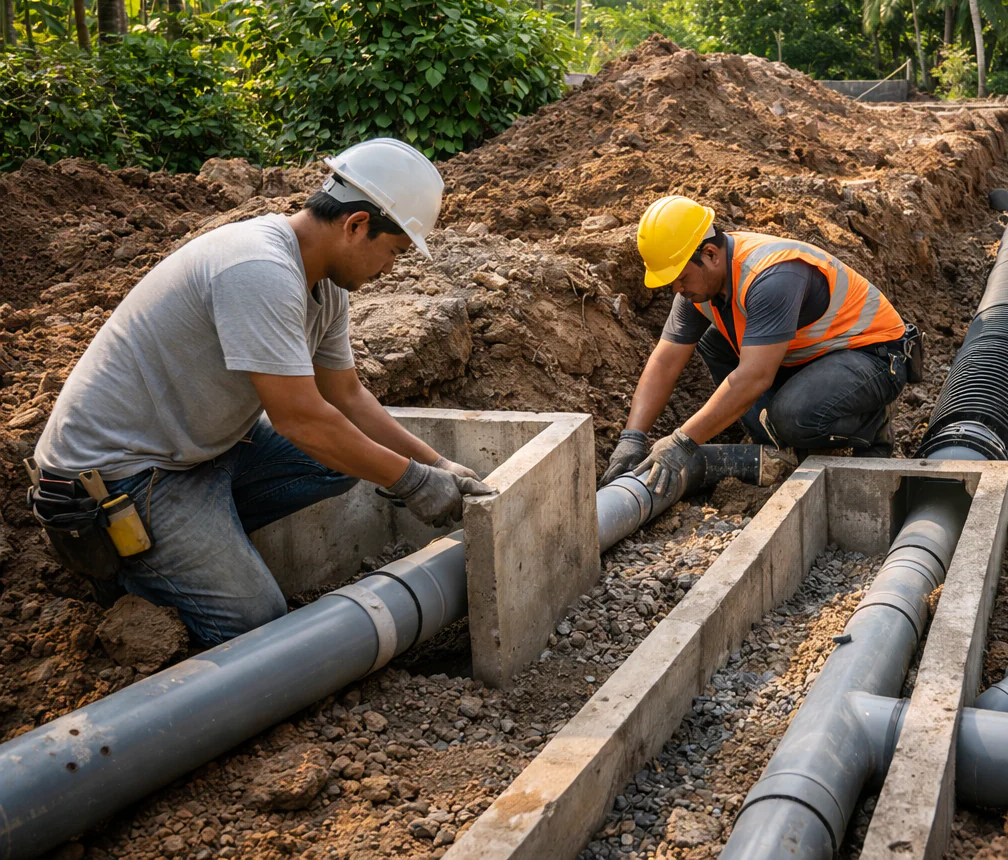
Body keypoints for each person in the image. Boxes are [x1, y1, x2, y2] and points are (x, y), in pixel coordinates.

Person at [30, 138, 491, 645]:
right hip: (121, 475)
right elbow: (301, 421)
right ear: (356, 224)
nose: (392, 269)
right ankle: (137, 569)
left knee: (339, 461)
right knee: (255, 624)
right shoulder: (259, 269)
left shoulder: (326, 285)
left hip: (198, 450)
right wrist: (412, 482)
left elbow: (345, 395)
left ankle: (201, 540)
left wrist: (437, 466)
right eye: (394, 251)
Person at [601, 196, 916, 494]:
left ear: (710, 254)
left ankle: (873, 425)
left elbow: (754, 376)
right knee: (715, 343)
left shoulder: (771, 276)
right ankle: (782, 442)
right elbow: (665, 360)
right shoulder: (700, 286)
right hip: (813, 357)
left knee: (793, 417)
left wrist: (684, 441)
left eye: (680, 278)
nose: (676, 289)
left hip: (873, 356)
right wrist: (633, 437)